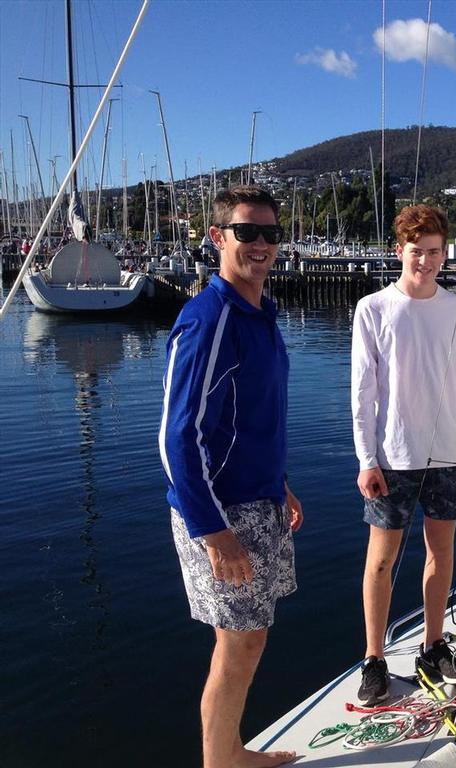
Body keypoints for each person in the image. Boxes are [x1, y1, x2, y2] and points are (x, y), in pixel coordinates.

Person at [159, 185, 301, 768]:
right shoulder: (211, 317)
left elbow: (248, 419)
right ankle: (221, 763)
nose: (262, 244)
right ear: (218, 238)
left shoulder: (260, 313)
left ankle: (230, 753)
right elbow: (178, 437)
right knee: (238, 643)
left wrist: (279, 483)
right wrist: (213, 532)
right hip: (223, 513)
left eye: (271, 233)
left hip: (257, 499)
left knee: (249, 639)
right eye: (248, 232)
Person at [351, 204, 456, 705]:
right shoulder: (372, 308)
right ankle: (374, 658)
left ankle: (433, 645)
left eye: (435, 252)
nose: (426, 260)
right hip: (392, 457)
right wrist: (365, 459)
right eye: (417, 251)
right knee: (382, 560)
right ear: (399, 250)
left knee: (441, 555)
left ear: (446, 253)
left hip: (449, 454)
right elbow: (363, 391)